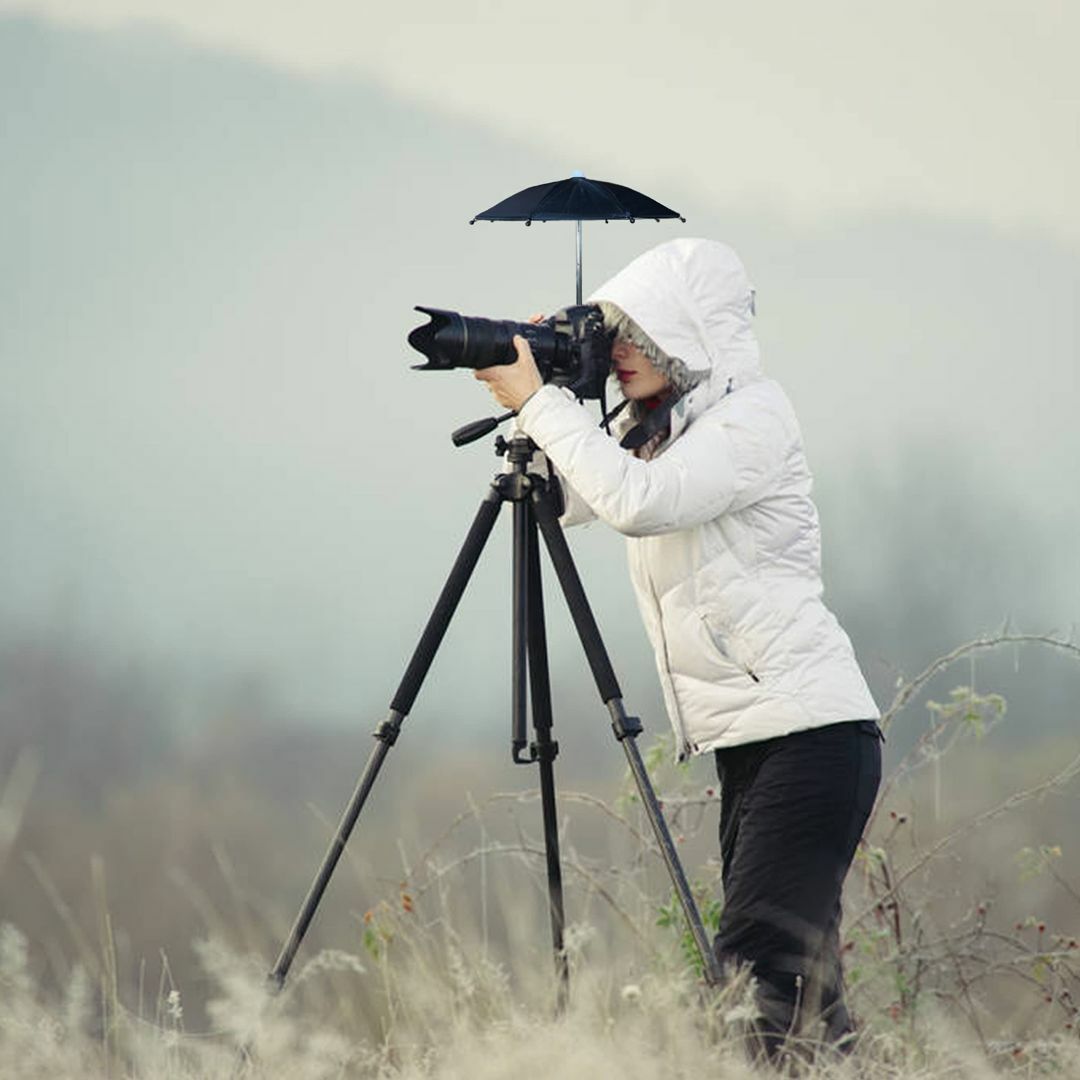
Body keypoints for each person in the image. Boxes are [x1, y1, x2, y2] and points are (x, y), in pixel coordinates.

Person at [475, 238, 882, 1061]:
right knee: (801, 985)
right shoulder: (664, 428)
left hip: (813, 740)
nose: (620, 354)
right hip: (758, 743)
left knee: (756, 975)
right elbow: (573, 497)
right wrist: (544, 388)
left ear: (687, 339)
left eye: (637, 337)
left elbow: (634, 503)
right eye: (613, 337)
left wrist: (538, 406)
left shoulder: (751, 420)